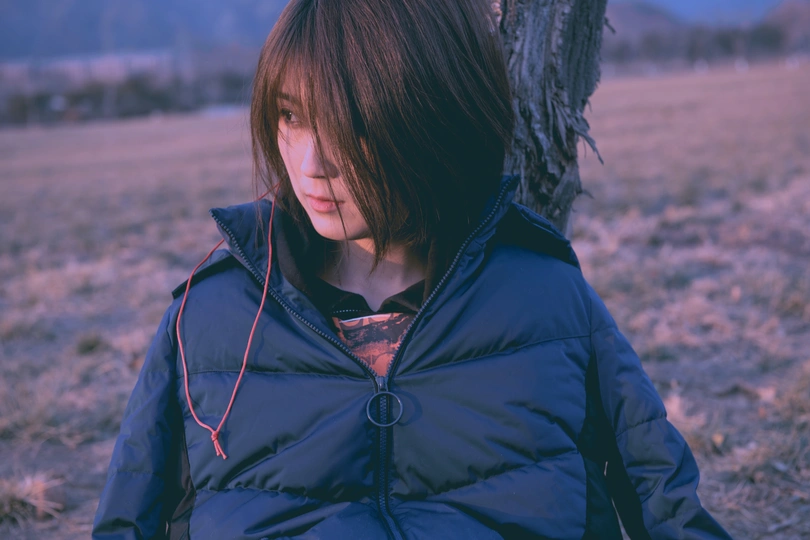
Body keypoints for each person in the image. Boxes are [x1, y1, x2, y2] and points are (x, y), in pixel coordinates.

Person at [92, 0, 732, 538]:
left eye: (352, 123)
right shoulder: (208, 317)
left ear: (435, 117)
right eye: (290, 116)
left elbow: (667, 505)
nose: (311, 163)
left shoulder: (546, 297)